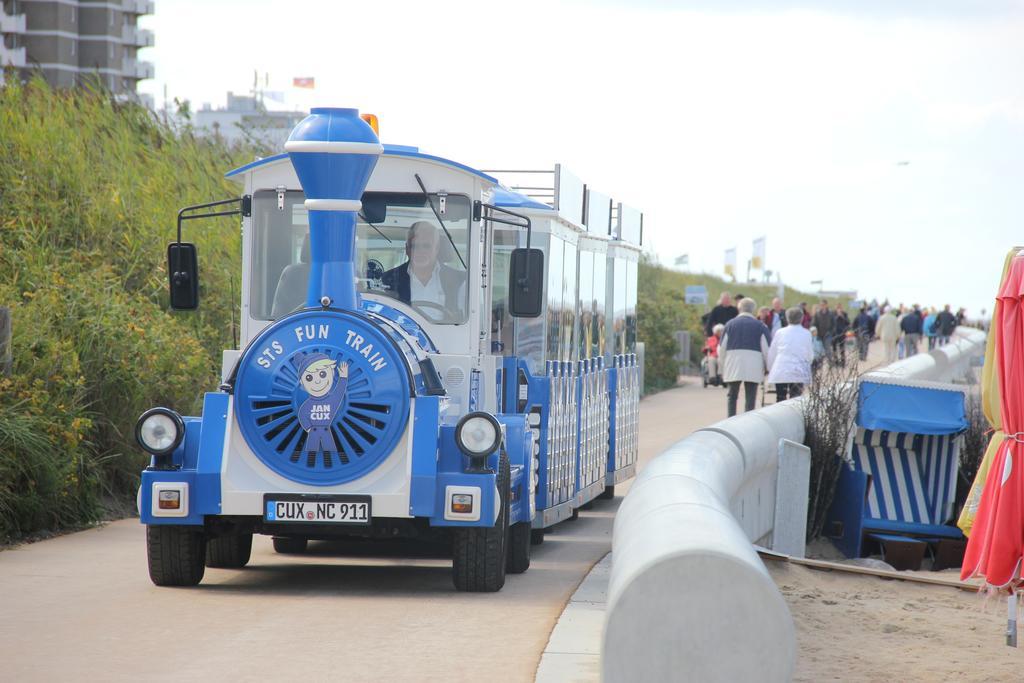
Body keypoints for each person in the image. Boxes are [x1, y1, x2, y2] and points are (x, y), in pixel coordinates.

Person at [381, 221, 466, 318]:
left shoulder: (460, 280)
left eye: (426, 246)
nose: (420, 252)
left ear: (437, 248)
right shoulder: (387, 280)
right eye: (414, 246)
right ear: (407, 249)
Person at [719, 297, 769, 417]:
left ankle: (730, 419)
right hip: (754, 362)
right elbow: (766, 349)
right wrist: (767, 366)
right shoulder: (760, 326)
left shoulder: (729, 324)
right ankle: (747, 421)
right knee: (751, 396)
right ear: (753, 310)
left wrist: (722, 366)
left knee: (732, 395)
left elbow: (722, 348)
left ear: (739, 308)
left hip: (733, 361)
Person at [767, 307, 813, 401]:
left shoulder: (780, 332)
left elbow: (772, 352)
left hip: (781, 369)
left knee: (780, 398)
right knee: (795, 400)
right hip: (799, 370)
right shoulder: (806, 333)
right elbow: (810, 354)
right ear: (801, 318)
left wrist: (770, 368)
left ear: (787, 318)